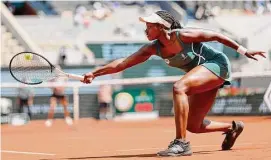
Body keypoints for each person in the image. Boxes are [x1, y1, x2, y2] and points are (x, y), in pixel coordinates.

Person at [81, 10, 266, 157]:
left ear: (161, 27)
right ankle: (232, 128)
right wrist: (94, 73)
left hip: (216, 66)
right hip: (201, 76)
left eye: (149, 26)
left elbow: (216, 36)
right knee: (194, 126)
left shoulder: (183, 35)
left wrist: (244, 50)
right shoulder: (152, 48)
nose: (145, 30)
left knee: (179, 87)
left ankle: (181, 143)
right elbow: (122, 63)